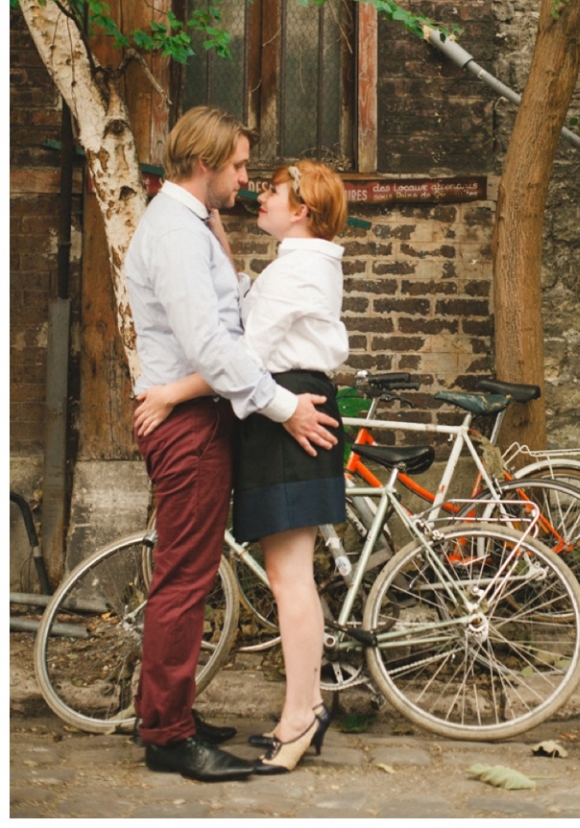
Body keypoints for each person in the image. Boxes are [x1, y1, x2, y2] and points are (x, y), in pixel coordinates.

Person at [125, 108, 338, 783]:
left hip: (201, 418)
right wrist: (283, 409)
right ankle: (167, 734)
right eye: (240, 167)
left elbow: (234, 313)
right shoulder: (176, 233)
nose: (246, 181)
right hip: (188, 428)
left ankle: (172, 713)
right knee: (185, 580)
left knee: (189, 572)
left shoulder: (188, 226)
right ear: (206, 164)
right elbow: (217, 347)